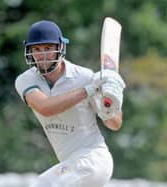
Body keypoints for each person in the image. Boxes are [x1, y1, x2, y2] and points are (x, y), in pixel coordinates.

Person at [15, 20, 125, 187]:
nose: (42, 55)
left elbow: (114, 124)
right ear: (29, 51)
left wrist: (111, 102)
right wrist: (88, 90)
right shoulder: (25, 80)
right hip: (71, 166)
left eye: (47, 48)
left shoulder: (85, 77)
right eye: (37, 49)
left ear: (60, 47)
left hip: (94, 159)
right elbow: (45, 108)